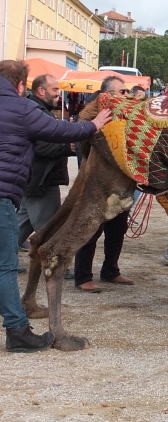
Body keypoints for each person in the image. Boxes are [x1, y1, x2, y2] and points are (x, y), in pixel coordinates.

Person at [0, 60, 110, 352]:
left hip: (13, 194)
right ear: (22, 85)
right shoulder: (23, 109)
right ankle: (17, 330)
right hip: (9, 193)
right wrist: (93, 125)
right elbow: (57, 132)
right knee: (6, 266)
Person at [74, 76, 134, 293]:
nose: (126, 96)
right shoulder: (90, 119)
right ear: (106, 95)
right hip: (96, 184)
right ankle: (82, 276)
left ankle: (111, 270)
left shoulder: (127, 118)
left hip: (119, 184)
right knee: (91, 230)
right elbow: (86, 152)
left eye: (127, 92)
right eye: (122, 92)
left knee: (117, 230)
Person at [15, 74, 77, 279]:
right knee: (50, 226)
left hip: (33, 179)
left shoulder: (37, 110)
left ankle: (3, 260)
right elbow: (42, 145)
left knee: (19, 226)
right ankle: (55, 266)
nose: (59, 94)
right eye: (55, 90)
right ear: (41, 91)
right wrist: (68, 146)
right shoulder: (36, 112)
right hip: (40, 180)